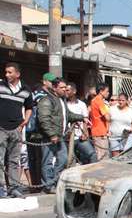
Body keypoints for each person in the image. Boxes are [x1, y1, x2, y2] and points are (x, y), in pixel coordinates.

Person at [37, 78, 84, 193]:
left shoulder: (61, 100)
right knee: (47, 161)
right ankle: (48, 186)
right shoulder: (46, 100)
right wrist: (52, 134)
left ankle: (53, 181)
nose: (65, 90)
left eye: (65, 88)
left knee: (63, 160)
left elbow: (67, 115)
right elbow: (44, 119)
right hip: (50, 137)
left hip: (60, 137)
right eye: (62, 88)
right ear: (54, 88)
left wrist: (82, 118)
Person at [0, 62, 33, 198]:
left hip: (16, 129)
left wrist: (25, 121)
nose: (7, 75)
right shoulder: (1, 86)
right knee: (0, 160)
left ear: (17, 74)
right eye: (6, 72)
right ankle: (1, 189)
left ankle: (14, 188)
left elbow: (29, 107)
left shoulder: (26, 90)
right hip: (1, 128)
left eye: (10, 72)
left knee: (14, 160)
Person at [65, 83, 96, 165]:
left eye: (68, 90)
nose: (66, 92)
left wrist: (85, 133)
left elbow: (85, 120)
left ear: (74, 91)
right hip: (68, 138)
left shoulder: (82, 104)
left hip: (80, 137)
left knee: (92, 154)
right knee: (71, 161)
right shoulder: (64, 104)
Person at [89, 83, 110, 161]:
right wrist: (109, 114)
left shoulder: (95, 100)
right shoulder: (98, 101)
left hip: (99, 131)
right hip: (100, 132)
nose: (108, 93)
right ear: (101, 91)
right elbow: (107, 117)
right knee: (103, 158)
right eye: (107, 91)